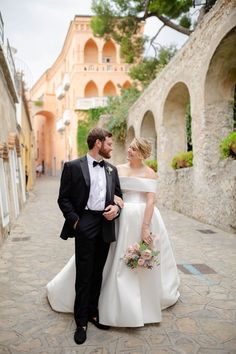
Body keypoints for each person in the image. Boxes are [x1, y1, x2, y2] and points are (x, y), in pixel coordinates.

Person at [47, 137, 179, 331]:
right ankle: (92, 307)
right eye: (130, 147)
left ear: (142, 153)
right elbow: (112, 192)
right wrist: (116, 201)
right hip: (120, 220)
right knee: (108, 259)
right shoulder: (116, 169)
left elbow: (151, 201)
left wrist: (145, 227)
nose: (129, 150)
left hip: (143, 219)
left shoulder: (150, 173)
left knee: (138, 263)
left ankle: (139, 305)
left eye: (133, 149)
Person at [55, 128, 122, 345]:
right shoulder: (73, 167)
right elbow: (63, 198)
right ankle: (81, 321)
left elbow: (119, 195)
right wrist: (76, 221)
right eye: (109, 144)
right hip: (84, 222)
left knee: (97, 273)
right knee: (84, 274)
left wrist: (116, 210)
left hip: (105, 223)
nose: (112, 148)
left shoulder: (112, 169)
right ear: (98, 143)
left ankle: (93, 313)